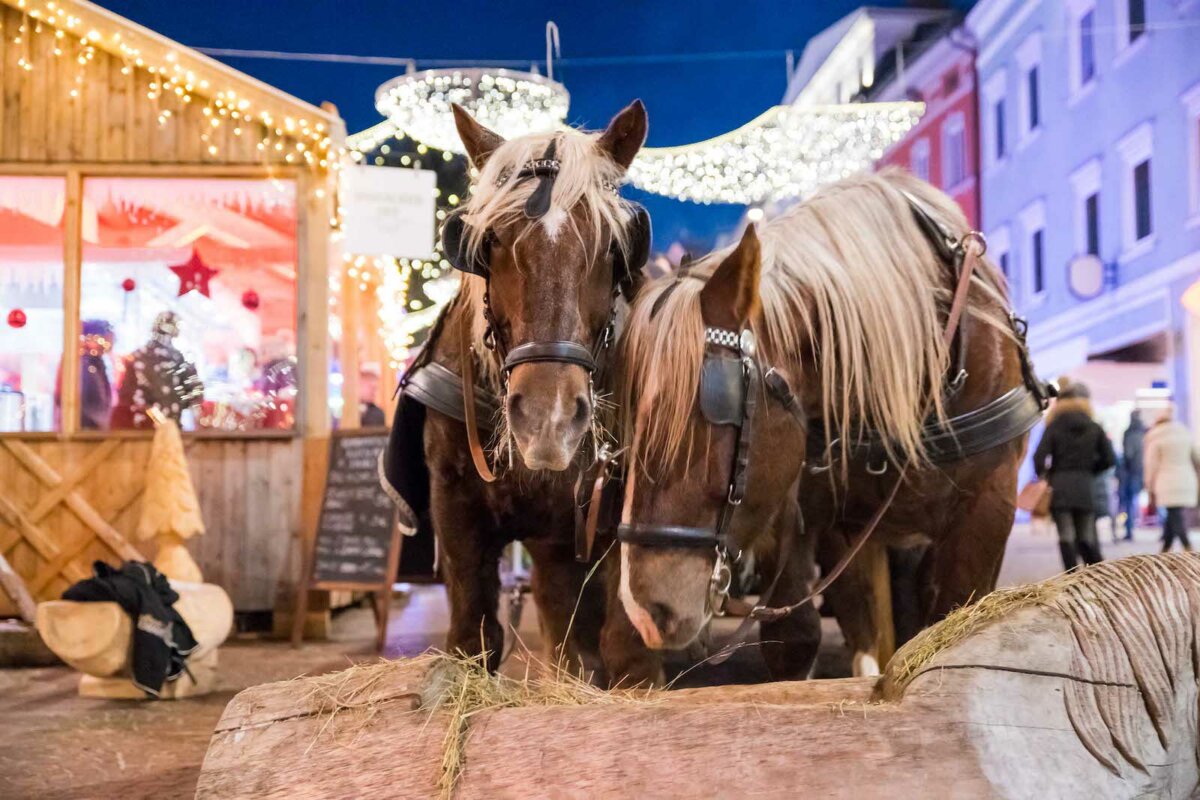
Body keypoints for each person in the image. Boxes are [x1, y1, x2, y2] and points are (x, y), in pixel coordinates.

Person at [1032, 381, 1116, 570]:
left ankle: (1072, 574)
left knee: (1065, 536)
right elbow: (1110, 459)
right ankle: (1094, 573)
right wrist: (1091, 470)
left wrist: (1046, 476)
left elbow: (1038, 457)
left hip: (1060, 485)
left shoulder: (1054, 426)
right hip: (1085, 485)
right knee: (1086, 535)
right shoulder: (1094, 427)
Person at [1142, 405, 1199, 552]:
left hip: (1166, 480)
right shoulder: (1184, 433)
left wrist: (1148, 485)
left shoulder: (1155, 437)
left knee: (1174, 513)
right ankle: (1166, 547)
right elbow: (1197, 457)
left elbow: (1151, 464)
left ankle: (1187, 546)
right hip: (1186, 479)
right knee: (1173, 513)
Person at [1118, 410, 1147, 541]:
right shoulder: (1145, 432)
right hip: (1143, 470)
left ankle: (1129, 530)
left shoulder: (1129, 433)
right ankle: (1165, 528)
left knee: (1129, 501)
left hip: (1130, 472)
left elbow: (1128, 454)